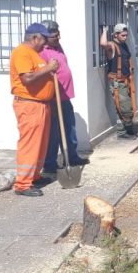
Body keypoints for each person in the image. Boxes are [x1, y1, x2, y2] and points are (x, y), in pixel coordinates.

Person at [9, 23, 59, 197]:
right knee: (30, 144)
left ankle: (34, 176)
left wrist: (49, 71)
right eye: (43, 38)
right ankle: (22, 184)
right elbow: (27, 78)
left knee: (40, 144)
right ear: (34, 37)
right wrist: (49, 68)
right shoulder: (21, 52)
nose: (45, 43)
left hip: (41, 105)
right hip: (29, 105)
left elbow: (40, 74)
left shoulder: (35, 54)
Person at [39, 21, 89, 178]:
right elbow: (42, 73)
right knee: (53, 133)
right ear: (46, 37)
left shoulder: (57, 47)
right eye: (54, 36)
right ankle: (50, 165)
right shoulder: (41, 52)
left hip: (65, 96)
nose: (58, 37)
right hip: (53, 98)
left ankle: (72, 158)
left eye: (58, 34)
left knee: (69, 129)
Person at [99, 23, 138, 139]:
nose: (125, 37)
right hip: (118, 82)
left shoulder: (124, 45)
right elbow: (103, 44)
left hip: (126, 81)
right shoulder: (112, 46)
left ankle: (126, 130)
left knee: (123, 107)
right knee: (125, 108)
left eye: (126, 35)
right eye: (123, 35)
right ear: (116, 35)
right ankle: (123, 132)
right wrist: (105, 31)